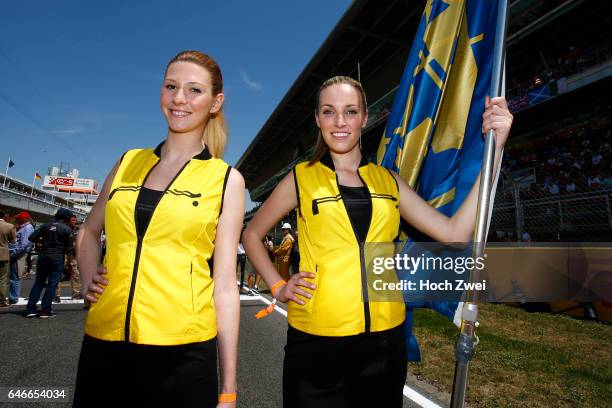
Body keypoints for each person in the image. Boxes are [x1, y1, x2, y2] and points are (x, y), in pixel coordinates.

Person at [243, 76, 512, 407]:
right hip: (316, 340)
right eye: (329, 112)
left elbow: (455, 234)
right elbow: (252, 234)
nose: (339, 122)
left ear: (364, 117)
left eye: (350, 111)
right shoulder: (300, 178)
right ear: (317, 120)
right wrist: (277, 285)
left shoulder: (388, 180)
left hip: (385, 342)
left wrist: (495, 151)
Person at [74, 50, 244, 408]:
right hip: (104, 342)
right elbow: (89, 232)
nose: (179, 98)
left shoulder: (227, 180)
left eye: (194, 90)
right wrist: (90, 280)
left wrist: (228, 388)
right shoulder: (126, 162)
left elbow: (226, 283)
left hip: (183, 353)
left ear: (216, 102)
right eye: (171, 86)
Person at [25, 208, 73, 318]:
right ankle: (45, 310)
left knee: (39, 282)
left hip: (43, 255)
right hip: (57, 257)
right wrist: (70, 263)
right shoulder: (66, 229)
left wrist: (41, 243)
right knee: (52, 283)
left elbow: (31, 237)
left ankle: (30, 309)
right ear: (66, 218)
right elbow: (69, 249)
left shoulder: (45, 226)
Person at [9, 211, 35, 305]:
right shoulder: (24, 227)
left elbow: (24, 245)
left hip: (18, 254)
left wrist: (13, 253)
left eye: (19, 218)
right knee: (14, 275)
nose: (17, 219)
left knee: (16, 276)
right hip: (18, 253)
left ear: (24, 219)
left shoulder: (27, 228)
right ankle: (13, 297)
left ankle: (13, 298)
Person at [0, 209, 16, 307]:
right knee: (2, 279)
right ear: (4, 216)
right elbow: (13, 241)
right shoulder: (9, 226)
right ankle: (1, 300)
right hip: (3, 254)